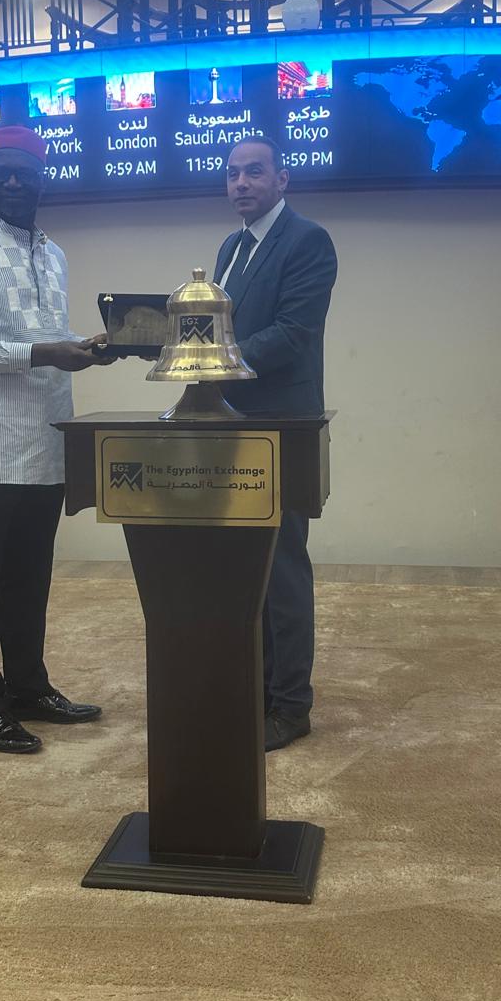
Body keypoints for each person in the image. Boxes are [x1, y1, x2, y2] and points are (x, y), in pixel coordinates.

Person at [0, 126, 115, 755]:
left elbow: (44, 333)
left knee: (32, 575)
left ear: (43, 178)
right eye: (1, 172)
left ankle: (29, 688)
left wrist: (85, 347)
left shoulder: (54, 253)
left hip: (45, 441)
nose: (13, 182)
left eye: (24, 172)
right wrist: (45, 352)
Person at [215, 137, 337, 751]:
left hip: (283, 428)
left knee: (282, 569)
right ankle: (257, 690)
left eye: (254, 172)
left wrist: (216, 361)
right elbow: (217, 328)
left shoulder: (307, 240)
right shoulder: (230, 248)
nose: (240, 183)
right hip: (232, 424)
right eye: (232, 173)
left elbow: (293, 332)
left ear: (282, 179)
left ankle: (291, 706)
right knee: (245, 569)